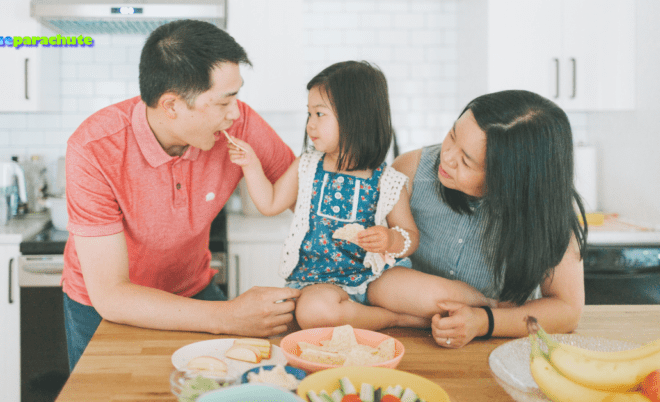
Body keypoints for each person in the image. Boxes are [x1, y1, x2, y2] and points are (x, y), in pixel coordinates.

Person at [61, 19, 301, 371]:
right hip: (103, 309)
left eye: (237, 97)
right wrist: (229, 316)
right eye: (224, 102)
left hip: (193, 290)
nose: (235, 113)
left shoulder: (238, 123)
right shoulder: (94, 148)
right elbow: (111, 294)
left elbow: (306, 195)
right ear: (171, 106)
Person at [227, 61, 494, 331]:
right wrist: (251, 165)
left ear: (356, 117)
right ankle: (395, 319)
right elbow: (270, 203)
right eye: (309, 114)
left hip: (376, 276)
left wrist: (390, 239)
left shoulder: (386, 180)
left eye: (320, 114)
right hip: (321, 282)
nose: (310, 125)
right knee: (312, 312)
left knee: (439, 295)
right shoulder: (306, 166)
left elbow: (410, 236)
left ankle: (494, 305)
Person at [367, 89, 588, 348]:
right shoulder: (410, 171)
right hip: (409, 341)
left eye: (466, 161)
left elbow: (567, 311)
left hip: (502, 349)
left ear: (508, 181)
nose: (447, 157)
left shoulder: (547, 212)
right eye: (452, 135)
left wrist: (483, 321)